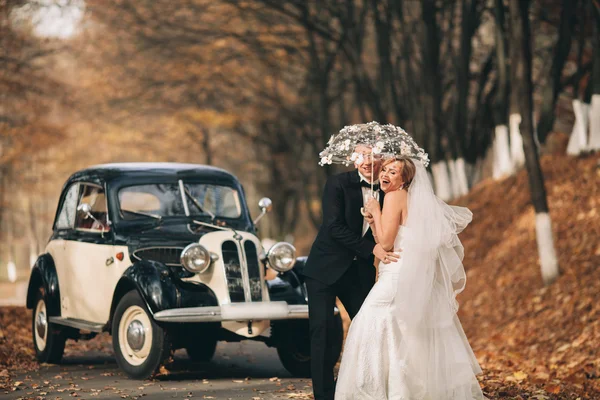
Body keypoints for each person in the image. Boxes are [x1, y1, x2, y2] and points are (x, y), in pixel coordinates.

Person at [335, 156, 486, 400]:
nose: (385, 174)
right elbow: (386, 238)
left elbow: (385, 243)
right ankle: (400, 389)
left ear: (405, 180)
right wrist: (375, 222)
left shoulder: (394, 197)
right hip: (399, 270)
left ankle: (375, 391)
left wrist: (375, 209)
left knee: (368, 321)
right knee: (398, 329)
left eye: (394, 172)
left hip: (396, 274)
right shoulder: (406, 198)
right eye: (384, 169)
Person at [303, 144, 401, 400]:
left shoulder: (389, 190)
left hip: (359, 273)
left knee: (370, 330)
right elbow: (333, 227)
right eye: (362, 156)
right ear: (353, 159)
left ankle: (364, 389)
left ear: (383, 159)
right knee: (322, 333)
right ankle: (324, 396)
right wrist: (373, 249)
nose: (368, 161)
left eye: (374, 155)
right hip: (324, 269)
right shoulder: (337, 184)